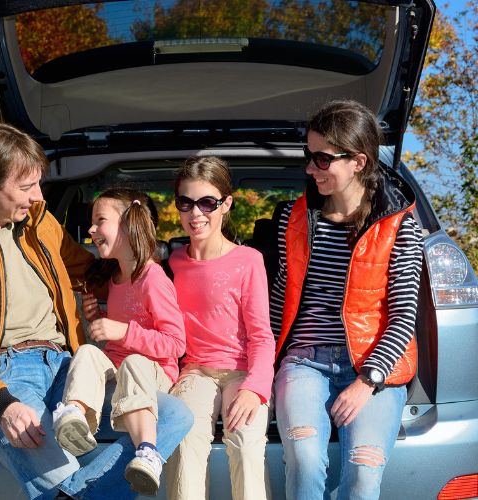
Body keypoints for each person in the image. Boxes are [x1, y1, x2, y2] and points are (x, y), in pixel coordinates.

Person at [0, 123, 192, 500]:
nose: (38, 196)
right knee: (62, 473)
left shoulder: (41, 224)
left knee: (176, 415)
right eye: (27, 186)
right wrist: (1, 406)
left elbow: (92, 272)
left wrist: (144, 281)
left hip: (70, 364)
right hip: (4, 373)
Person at [269, 100, 424, 499]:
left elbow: (404, 315)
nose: (310, 168)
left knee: (363, 473)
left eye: (322, 159)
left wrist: (367, 381)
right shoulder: (294, 217)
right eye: (309, 156)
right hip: (304, 361)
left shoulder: (399, 224)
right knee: (304, 461)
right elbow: (281, 299)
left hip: (375, 370)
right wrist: (262, 371)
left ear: (358, 161)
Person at [52, 188, 187, 497]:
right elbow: (119, 331)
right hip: (118, 370)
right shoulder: (114, 279)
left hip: (152, 375)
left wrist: (121, 331)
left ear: (128, 225)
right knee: (86, 353)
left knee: (134, 362)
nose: (91, 229)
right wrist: (97, 315)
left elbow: (175, 344)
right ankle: (74, 417)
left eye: (100, 221)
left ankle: (148, 452)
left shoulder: (154, 279)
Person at [163, 156, 275, 500]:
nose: (195, 213)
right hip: (195, 372)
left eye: (207, 202)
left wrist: (255, 388)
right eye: (185, 203)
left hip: (242, 371)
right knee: (184, 441)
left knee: (244, 444)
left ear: (226, 204)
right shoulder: (171, 263)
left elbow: (261, 335)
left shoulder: (248, 260)